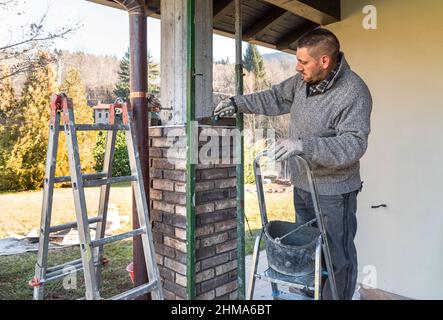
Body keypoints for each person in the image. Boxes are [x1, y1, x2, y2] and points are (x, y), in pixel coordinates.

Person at [213, 28, 372, 300]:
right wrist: (237, 103)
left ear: (325, 60)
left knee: (337, 259)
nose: (297, 67)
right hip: (303, 185)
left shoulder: (353, 92)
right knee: (309, 252)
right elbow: (274, 98)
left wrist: (302, 145)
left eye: (303, 62)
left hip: (334, 193)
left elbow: (353, 145)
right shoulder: (302, 82)